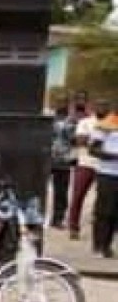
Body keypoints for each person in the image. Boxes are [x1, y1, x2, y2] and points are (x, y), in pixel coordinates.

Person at [84, 107, 118, 258]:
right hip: (107, 174)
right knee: (104, 211)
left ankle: (107, 246)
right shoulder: (105, 124)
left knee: (115, 213)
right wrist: (114, 156)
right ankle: (98, 245)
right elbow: (93, 150)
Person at [69, 101, 100, 239]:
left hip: (105, 167)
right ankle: (73, 227)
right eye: (98, 105)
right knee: (78, 196)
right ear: (92, 108)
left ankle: (100, 229)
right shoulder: (85, 122)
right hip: (85, 163)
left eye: (105, 106)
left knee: (104, 200)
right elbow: (80, 141)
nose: (101, 108)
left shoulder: (112, 123)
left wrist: (93, 142)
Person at [50, 101, 80, 230]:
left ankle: (57, 219)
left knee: (61, 192)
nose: (61, 106)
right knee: (39, 190)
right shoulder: (48, 119)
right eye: (59, 102)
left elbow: (75, 140)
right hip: (48, 159)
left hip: (63, 161)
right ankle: (37, 218)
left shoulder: (71, 122)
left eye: (63, 103)